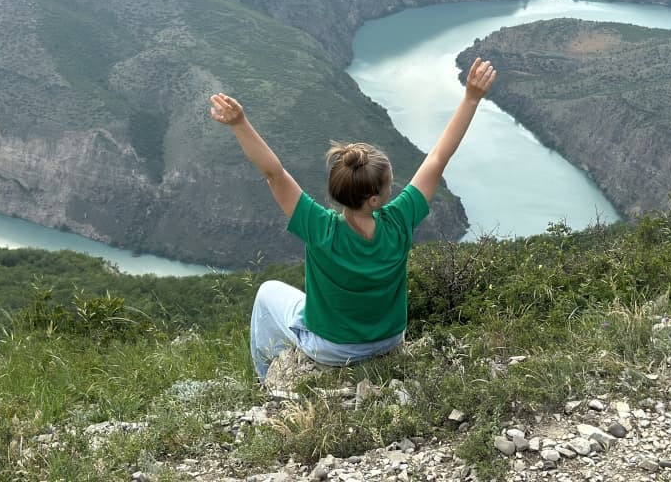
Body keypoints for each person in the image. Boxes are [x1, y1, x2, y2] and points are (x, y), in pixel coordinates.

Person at [209, 57, 498, 381]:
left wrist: (239, 124)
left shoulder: (320, 228)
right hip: (389, 339)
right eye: (390, 183)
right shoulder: (399, 220)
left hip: (332, 349)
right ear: (375, 199)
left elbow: (274, 174)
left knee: (267, 293)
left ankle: (265, 379)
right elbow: (438, 158)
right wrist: (471, 98)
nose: (394, 186)